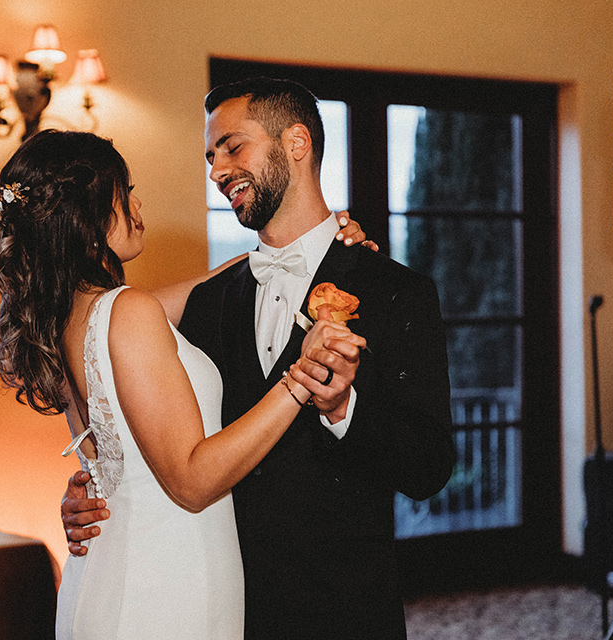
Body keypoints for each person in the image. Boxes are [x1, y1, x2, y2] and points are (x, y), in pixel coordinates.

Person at [62, 77, 456, 640]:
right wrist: (92, 488)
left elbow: (428, 467)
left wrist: (345, 408)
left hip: (343, 613)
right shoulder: (204, 305)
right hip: (222, 607)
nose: (217, 170)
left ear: (297, 143)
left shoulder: (396, 293)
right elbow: (129, 406)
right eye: (209, 155)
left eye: (232, 146)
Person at [0, 129, 369, 640]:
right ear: (89, 213)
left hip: (107, 576)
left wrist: (313, 249)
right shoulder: (128, 312)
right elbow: (192, 482)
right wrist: (299, 379)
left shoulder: (70, 319)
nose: (137, 203)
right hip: (164, 589)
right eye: (124, 190)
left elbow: (213, 284)